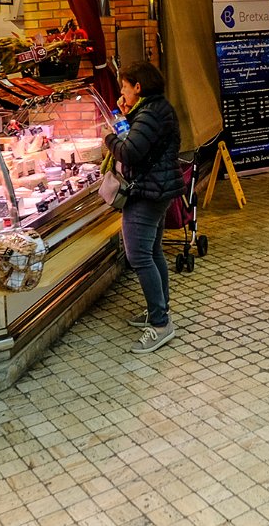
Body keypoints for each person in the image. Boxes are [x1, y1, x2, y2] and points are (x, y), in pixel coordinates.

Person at [104, 61, 183, 352]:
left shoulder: (150, 112)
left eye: (125, 88)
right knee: (152, 251)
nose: (122, 94)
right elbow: (142, 141)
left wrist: (109, 137)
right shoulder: (154, 108)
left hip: (147, 193)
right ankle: (158, 310)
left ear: (138, 87)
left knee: (138, 256)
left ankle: (160, 324)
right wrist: (127, 115)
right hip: (157, 189)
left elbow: (129, 152)